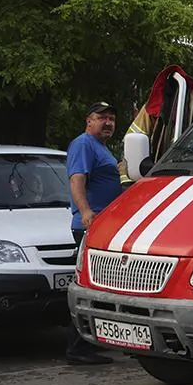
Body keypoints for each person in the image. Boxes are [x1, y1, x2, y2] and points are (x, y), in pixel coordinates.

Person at [65, 101, 125, 366]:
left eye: (111, 118)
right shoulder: (83, 144)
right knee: (90, 286)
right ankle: (77, 348)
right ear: (88, 120)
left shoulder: (101, 148)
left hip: (104, 225)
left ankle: (89, 342)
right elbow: (77, 179)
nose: (108, 122)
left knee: (101, 285)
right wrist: (86, 211)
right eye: (102, 117)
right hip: (91, 224)